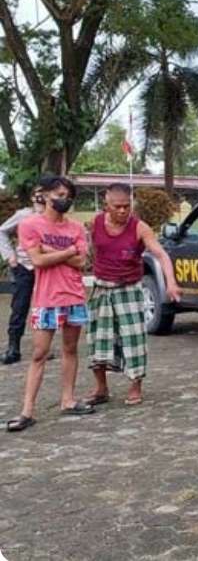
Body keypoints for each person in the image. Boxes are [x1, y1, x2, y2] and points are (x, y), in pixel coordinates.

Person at [6, 176, 93, 432]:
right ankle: (27, 410)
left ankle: (68, 399)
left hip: (74, 295)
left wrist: (52, 252)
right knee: (38, 353)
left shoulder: (76, 228)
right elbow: (37, 261)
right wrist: (67, 253)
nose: (62, 199)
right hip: (46, 297)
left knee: (70, 349)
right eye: (58, 194)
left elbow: (81, 262)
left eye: (67, 195)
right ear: (43, 195)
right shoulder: (29, 225)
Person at [84, 184, 181, 406]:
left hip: (128, 288)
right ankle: (101, 388)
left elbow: (161, 255)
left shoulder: (140, 228)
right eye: (117, 207)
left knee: (133, 338)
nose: (122, 211)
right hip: (101, 288)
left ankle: (135, 385)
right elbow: (88, 251)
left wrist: (171, 283)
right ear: (106, 205)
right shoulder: (96, 223)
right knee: (97, 338)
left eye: (126, 206)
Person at [0, 186, 45, 365]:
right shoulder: (24, 215)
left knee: (43, 308)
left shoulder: (54, 217)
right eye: (37, 194)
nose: (41, 198)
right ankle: (13, 347)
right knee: (19, 306)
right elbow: (2, 231)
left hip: (45, 266)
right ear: (32, 197)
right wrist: (9, 255)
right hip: (24, 266)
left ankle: (42, 346)